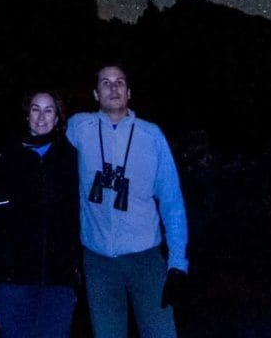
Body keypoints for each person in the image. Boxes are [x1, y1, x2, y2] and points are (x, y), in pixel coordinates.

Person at [65, 64, 189, 338]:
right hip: (98, 262)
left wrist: (178, 262)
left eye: (119, 82)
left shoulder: (152, 136)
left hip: (145, 258)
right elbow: (46, 142)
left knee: (161, 333)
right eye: (105, 82)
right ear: (96, 94)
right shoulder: (78, 128)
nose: (113, 87)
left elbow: (171, 202)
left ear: (129, 92)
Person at [0, 90, 81, 338]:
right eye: (35, 109)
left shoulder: (72, 159)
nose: (41, 117)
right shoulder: (5, 158)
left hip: (58, 285)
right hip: (13, 283)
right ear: (27, 115)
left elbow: (78, 220)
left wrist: (74, 276)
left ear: (57, 118)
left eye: (49, 110)